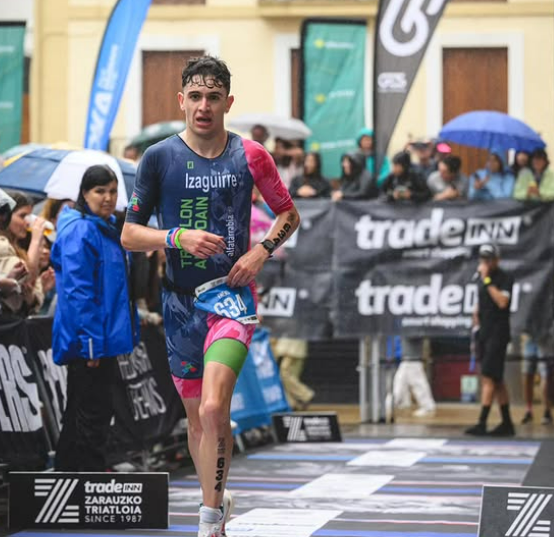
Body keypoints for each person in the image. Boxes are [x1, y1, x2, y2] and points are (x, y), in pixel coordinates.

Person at [121, 56, 299, 537]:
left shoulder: (250, 155)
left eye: (213, 97)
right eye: (196, 97)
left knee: (216, 409)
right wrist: (177, 237)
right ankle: (216, 503)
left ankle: (207, 521)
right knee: (198, 422)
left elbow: (288, 214)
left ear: (228, 102)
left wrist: (260, 252)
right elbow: (130, 235)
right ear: (181, 101)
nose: (204, 106)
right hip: (179, 304)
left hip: (230, 299)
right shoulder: (158, 157)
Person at [51, 165, 139, 471]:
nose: (108, 198)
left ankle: (70, 476)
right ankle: (88, 478)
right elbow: (79, 293)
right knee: (91, 413)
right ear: (84, 193)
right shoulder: (81, 230)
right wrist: (91, 344)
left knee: (85, 410)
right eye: (99, 191)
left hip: (102, 340)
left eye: (112, 191)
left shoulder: (106, 228)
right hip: (88, 343)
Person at [466, 244, 515, 437]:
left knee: (488, 377)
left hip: (498, 334)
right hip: (485, 333)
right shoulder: (481, 280)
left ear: (496, 260)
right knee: (497, 379)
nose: (485, 262)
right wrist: (476, 314)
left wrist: (487, 280)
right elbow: (482, 300)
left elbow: (502, 302)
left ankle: (482, 422)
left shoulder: (504, 278)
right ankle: (507, 423)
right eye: (483, 259)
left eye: (489, 259)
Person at [0, 191, 45, 316]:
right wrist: (36, 240)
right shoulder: (2, 245)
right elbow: (25, 277)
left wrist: (38, 292)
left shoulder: (20, 249)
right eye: (22, 216)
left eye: (30, 217)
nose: (28, 223)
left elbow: (29, 289)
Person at [520, 334, 553, 425]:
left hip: (547, 339)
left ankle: (547, 411)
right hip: (531, 337)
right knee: (527, 373)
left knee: (545, 374)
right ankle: (529, 410)